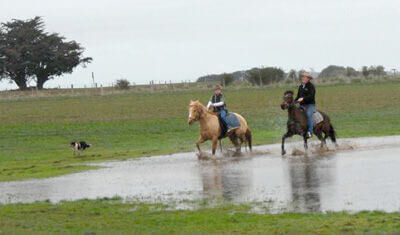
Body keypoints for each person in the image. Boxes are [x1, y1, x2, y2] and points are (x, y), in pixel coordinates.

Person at [295, 72, 316, 138]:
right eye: (302, 77)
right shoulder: (301, 86)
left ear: (308, 79)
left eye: (305, 77)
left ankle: (310, 132)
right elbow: (298, 96)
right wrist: (294, 102)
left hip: (310, 105)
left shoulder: (311, 86)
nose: (303, 78)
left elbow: (311, 96)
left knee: (309, 114)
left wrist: (303, 99)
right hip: (302, 106)